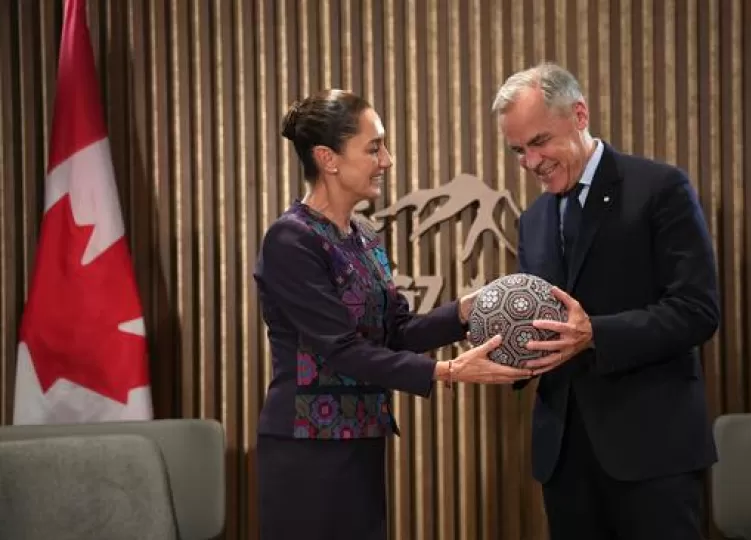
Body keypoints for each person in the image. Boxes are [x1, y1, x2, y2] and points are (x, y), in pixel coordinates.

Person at [253, 89, 531, 540]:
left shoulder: (364, 236)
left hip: (362, 441)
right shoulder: (291, 239)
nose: (387, 160)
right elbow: (341, 349)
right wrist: (447, 371)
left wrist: (467, 309)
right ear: (328, 158)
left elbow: (396, 331)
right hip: (307, 449)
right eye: (374, 147)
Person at [493, 62, 721, 539]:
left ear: (579, 115)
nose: (531, 162)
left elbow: (697, 310)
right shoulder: (532, 220)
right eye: (518, 151)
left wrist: (596, 333)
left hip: (653, 453)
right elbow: (542, 323)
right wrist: (508, 348)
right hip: (564, 461)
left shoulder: (660, 189)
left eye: (539, 142)